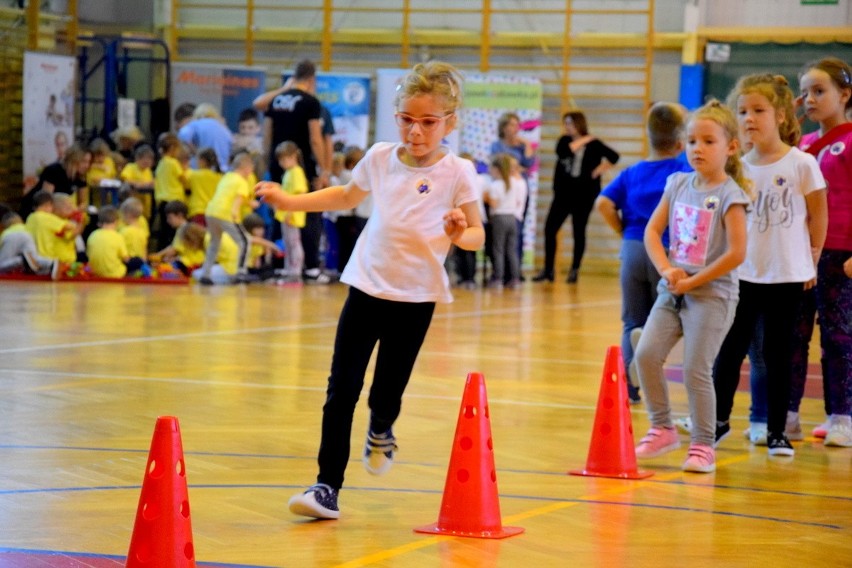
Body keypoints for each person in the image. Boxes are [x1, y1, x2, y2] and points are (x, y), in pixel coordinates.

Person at [256, 61, 484, 520]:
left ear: (449, 122)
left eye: (428, 122)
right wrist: (289, 201)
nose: (415, 131)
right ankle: (327, 486)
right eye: (406, 119)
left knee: (386, 392)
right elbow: (343, 197)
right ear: (396, 116)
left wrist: (460, 231)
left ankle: (382, 427)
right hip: (364, 288)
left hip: (415, 298)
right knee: (341, 389)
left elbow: (477, 234)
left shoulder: (458, 172)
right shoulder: (380, 157)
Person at [632, 100, 751, 473]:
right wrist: (667, 270)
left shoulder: (732, 195)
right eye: (692, 141)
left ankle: (702, 445)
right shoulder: (677, 183)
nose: (697, 148)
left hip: (712, 295)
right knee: (646, 355)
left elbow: (736, 253)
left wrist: (693, 280)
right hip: (674, 289)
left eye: (708, 141)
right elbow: (652, 231)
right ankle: (662, 427)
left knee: (695, 369)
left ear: (730, 147)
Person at [713, 74, 828, 457]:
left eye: (758, 110)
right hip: (743, 275)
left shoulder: (802, 163)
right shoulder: (737, 167)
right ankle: (718, 421)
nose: (749, 118)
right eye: (742, 111)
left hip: (786, 275)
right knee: (729, 351)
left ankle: (777, 431)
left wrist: (812, 258)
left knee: (780, 355)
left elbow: (818, 213)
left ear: (780, 115)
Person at [596, 102, 692, 404]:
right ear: (680, 141)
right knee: (663, 320)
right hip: (667, 253)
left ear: (648, 136)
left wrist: (624, 232)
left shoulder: (632, 172)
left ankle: (630, 390)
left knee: (631, 322)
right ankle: (652, 385)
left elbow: (603, 203)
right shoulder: (683, 170)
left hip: (634, 249)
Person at [785, 57, 852, 447]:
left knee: (839, 337)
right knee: (793, 336)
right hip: (800, 255)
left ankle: (842, 415)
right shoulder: (802, 143)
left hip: (841, 254)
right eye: (804, 92)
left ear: (845, 95)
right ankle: (788, 415)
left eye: (819, 91)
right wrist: (788, 117)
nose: (809, 99)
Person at [255, 60, 331, 283]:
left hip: (277, 163)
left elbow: (267, 135)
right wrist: (324, 169)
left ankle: (281, 264)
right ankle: (310, 267)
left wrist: (270, 160)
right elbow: (315, 139)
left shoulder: (277, 100)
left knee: (280, 210)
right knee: (308, 212)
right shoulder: (310, 102)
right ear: (312, 79)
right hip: (300, 166)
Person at [533, 111, 619, 283]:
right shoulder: (564, 141)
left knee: (578, 232)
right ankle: (548, 269)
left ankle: (574, 270)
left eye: (570, 124)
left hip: (584, 195)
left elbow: (614, 157)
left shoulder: (594, 143)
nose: (567, 127)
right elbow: (564, 153)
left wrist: (598, 170)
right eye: (565, 124)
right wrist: (584, 140)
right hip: (563, 194)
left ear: (579, 124)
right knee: (550, 229)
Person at [198, 152, 257, 285]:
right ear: (246, 168)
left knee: (214, 243)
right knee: (245, 241)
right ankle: (241, 272)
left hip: (211, 212)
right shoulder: (242, 181)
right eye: (251, 170)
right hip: (226, 214)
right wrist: (235, 213)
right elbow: (237, 199)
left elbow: (230, 195)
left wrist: (249, 203)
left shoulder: (227, 177)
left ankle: (205, 274)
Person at [483, 153, 526, 289]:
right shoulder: (514, 182)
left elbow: (494, 205)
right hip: (512, 218)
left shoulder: (496, 185)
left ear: (497, 170)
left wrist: (487, 198)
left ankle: (498, 278)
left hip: (499, 218)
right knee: (511, 250)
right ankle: (515, 278)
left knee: (498, 249)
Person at [20, 144, 91, 218]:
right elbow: (45, 200)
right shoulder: (54, 170)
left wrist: (77, 211)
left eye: (89, 162)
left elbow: (82, 202)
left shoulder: (80, 176)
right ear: (74, 159)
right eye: (84, 161)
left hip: (54, 210)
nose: (87, 165)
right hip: (33, 209)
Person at [272, 141, 308, 283]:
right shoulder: (289, 173)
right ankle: (289, 270)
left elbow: (299, 194)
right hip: (286, 213)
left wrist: (290, 213)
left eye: (285, 158)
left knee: (294, 243)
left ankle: (295, 271)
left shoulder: (296, 172)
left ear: (294, 156)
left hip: (292, 215)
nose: (282, 162)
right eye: (280, 159)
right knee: (288, 243)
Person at [25, 191, 84, 265]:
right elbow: (73, 229)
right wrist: (79, 219)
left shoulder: (32, 217)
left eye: (72, 204)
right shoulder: (48, 218)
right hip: (56, 263)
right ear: (54, 206)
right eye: (67, 205)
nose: (72, 208)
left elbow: (70, 235)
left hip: (56, 262)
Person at [87, 205, 144, 278]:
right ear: (116, 222)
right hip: (116, 274)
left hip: (95, 272)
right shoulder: (117, 236)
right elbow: (126, 259)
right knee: (137, 261)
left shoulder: (92, 235)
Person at [154, 134, 189, 250]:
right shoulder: (173, 163)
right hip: (174, 200)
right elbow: (183, 179)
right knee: (174, 232)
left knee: (164, 229)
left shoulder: (161, 163)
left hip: (162, 200)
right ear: (173, 148)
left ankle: (161, 251)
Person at [178, 103, 233, 172]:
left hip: (202, 169)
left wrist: (194, 151)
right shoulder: (224, 128)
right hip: (222, 170)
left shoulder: (195, 124)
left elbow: (183, 135)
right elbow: (231, 147)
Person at [0, 212, 58, 277]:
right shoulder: (25, 228)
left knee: (1, 265)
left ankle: (22, 260)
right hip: (28, 236)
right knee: (33, 258)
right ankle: (50, 263)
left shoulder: (7, 232)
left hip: (11, 236)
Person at [186, 147, 223, 226]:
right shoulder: (219, 177)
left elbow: (185, 184)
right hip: (214, 213)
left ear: (202, 161)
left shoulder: (194, 175)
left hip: (198, 211)